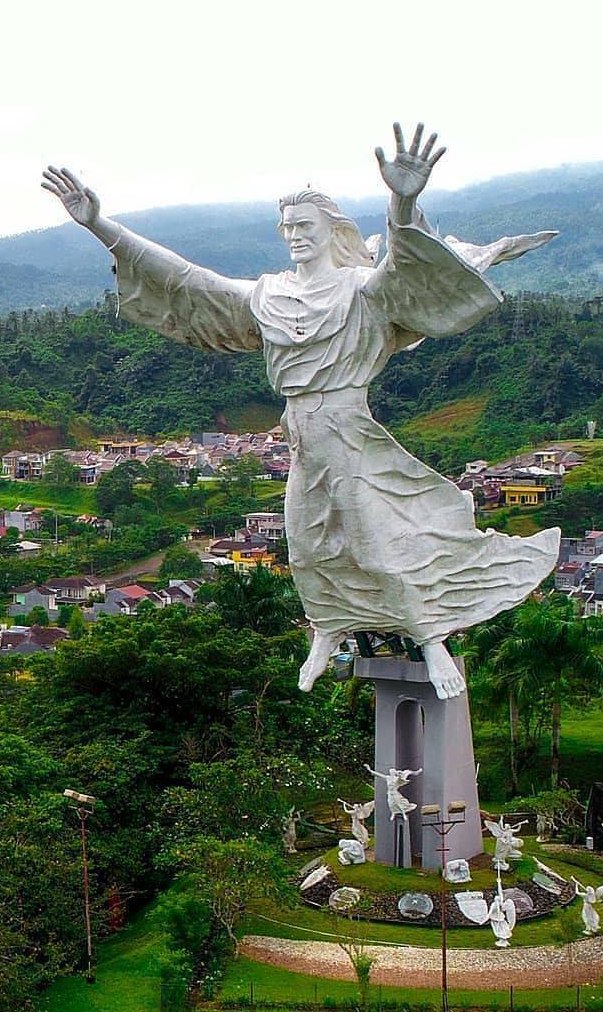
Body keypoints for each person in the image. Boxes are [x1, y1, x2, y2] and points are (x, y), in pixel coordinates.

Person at [42, 123, 561, 698]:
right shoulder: (267, 295)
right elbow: (185, 279)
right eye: (286, 226)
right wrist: (100, 226)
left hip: (347, 427)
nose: (294, 235)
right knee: (306, 539)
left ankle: (432, 638)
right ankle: (328, 628)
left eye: (305, 226)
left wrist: (403, 198)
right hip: (302, 434)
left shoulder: (363, 290)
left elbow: (408, 264)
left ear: (331, 230)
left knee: (377, 539)